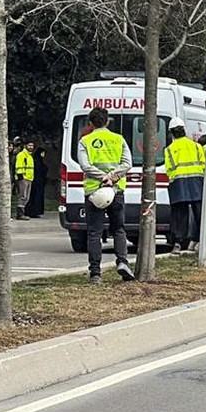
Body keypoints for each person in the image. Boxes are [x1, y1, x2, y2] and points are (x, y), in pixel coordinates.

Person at [78, 107, 135, 284]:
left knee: (94, 232)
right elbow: (127, 163)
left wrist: (102, 177)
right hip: (116, 191)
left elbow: (85, 166)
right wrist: (112, 177)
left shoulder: (85, 141)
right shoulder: (118, 139)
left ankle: (95, 273)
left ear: (90, 122)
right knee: (118, 229)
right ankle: (122, 262)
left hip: (94, 192)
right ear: (108, 120)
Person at [164, 118, 206, 252]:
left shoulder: (170, 149)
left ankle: (177, 242)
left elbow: (169, 169)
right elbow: (203, 164)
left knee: (179, 214)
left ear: (172, 133)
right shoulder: (196, 146)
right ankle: (199, 241)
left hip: (179, 182)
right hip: (196, 182)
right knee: (199, 213)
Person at [14, 139, 35, 220]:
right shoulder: (22, 155)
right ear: (25, 146)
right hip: (23, 178)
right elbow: (19, 165)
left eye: (32, 146)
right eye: (29, 145)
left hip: (29, 178)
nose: (31, 147)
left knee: (26, 197)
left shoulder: (29, 155)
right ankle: (20, 214)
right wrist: (20, 176)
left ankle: (21, 212)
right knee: (23, 196)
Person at [26, 147, 49, 218]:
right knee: (35, 197)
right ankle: (33, 212)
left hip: (38, 182)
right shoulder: (36, 161)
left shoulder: (39, 161)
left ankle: (36, 211)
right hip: (36, 182)